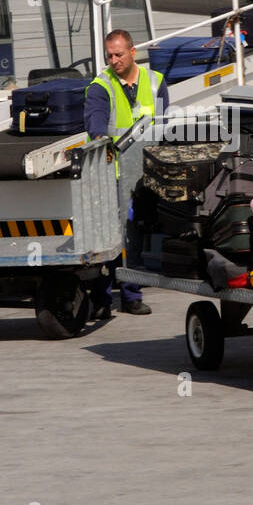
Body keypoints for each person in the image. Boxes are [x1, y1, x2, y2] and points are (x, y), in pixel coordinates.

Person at [85, 29, 167, 317]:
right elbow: (96, 124)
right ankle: (102, 300)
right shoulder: (101, 86)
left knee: (134, 236)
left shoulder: (155, 82)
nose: (114, 59)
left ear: (133, 52)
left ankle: (131, 295)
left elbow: (164, 127)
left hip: (145, 174)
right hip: (111, 174)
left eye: (119, 54)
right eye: (109, 55)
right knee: (108, 239)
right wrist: (98, 135)